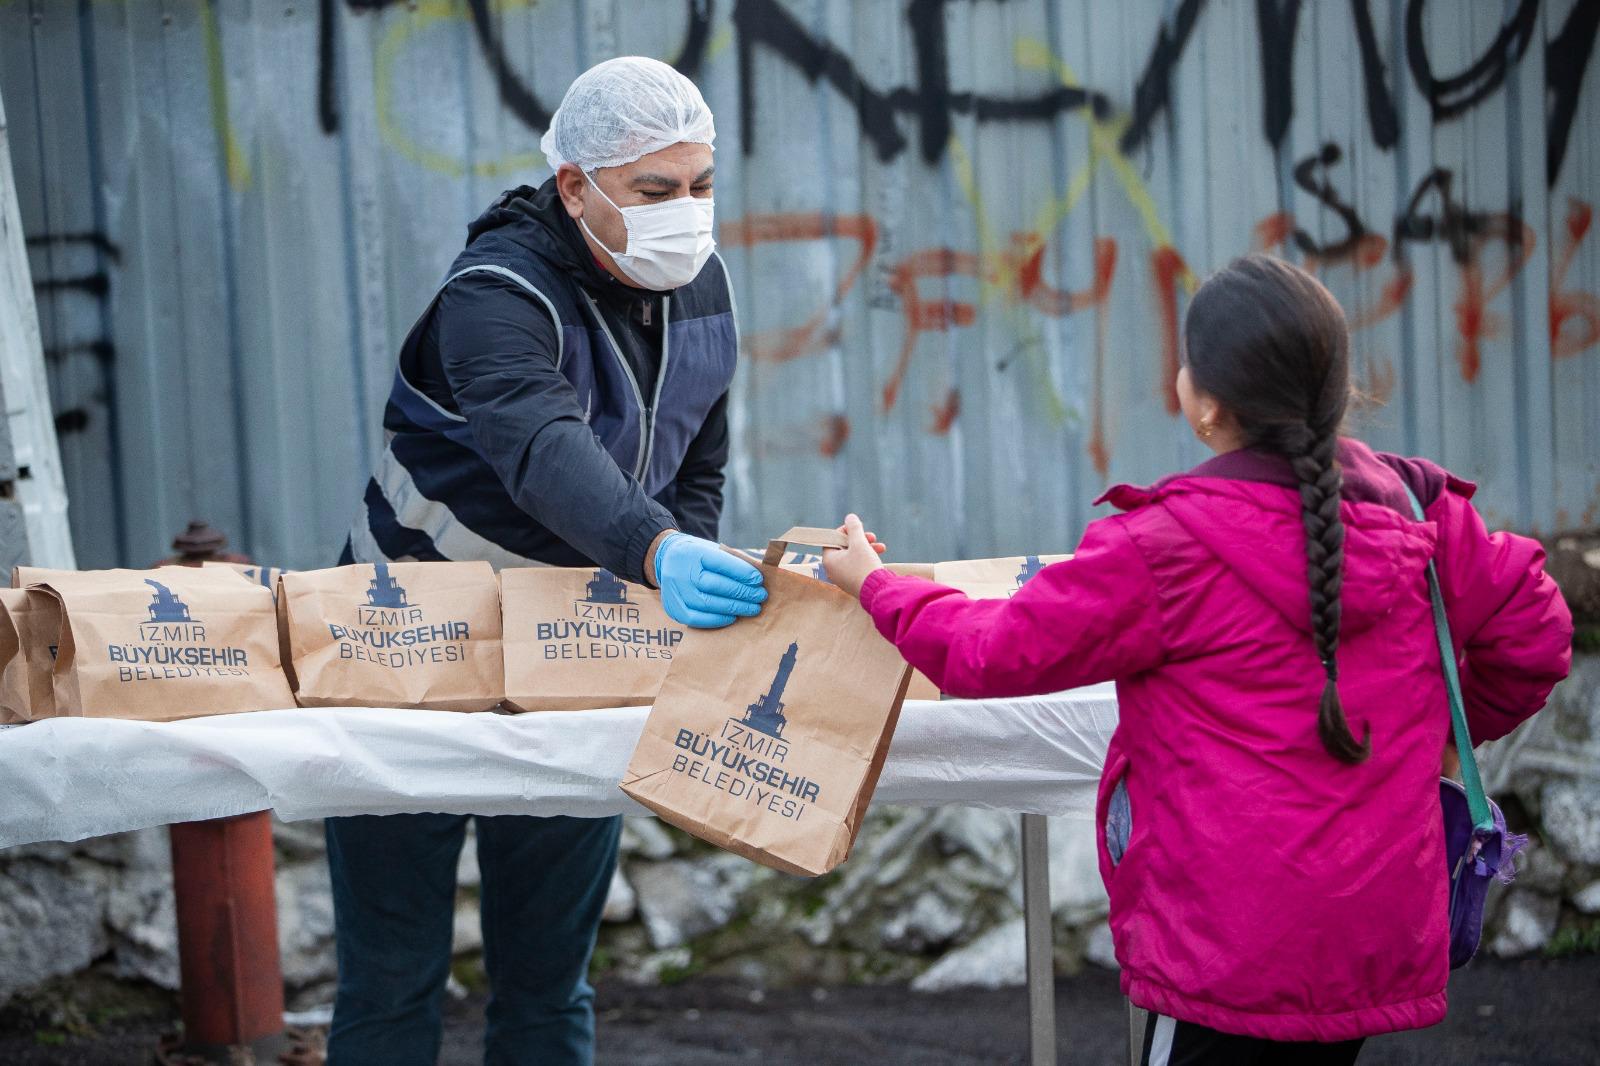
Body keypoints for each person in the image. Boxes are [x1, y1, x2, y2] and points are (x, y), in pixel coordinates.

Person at [823, 255, 1573, 1065]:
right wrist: (1422, 744)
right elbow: (1536, 638)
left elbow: (989, 653)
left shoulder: (1165, 547)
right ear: (1334, 389)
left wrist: (877, 587)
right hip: (1370, 928)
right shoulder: (1426, 514)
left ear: (1205, 405)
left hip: (1227, 947)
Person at [327, 57, 766, 1066]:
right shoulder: (492, 295)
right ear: (576, 184)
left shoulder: (700, 284)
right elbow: (537, 447)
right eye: (656, 191)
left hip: (577, 651)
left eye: (700, 185)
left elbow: (696, 450)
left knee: (548, 980)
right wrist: (657, 551)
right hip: (409, 647)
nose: (686, 214)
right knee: (394, 980)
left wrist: (675, 563)